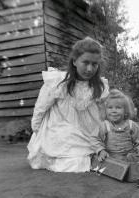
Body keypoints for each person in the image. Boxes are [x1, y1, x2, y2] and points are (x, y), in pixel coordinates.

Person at [27, 37, 109, 172]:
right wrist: (37, 132)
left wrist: (106, 132)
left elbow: (102, 113)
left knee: (98, 152)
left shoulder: (99, 86)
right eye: (85, 62)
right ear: (75, 61)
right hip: (63, 125)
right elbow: (41, 108)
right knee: (74, 161)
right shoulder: (58, 82)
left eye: (94, 64)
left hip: (89, 128)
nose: (89, 69)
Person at [91, 89, 139, 162]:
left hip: (128, 156)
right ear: (105, 110)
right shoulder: (105, 125)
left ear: (125, 110)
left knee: (133, 157)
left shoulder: (131, 125)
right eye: (110, 108)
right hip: (111, 158)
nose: (114, 111)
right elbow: (94, 139)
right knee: (108, 163)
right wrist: (101, 150)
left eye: (118, 108)